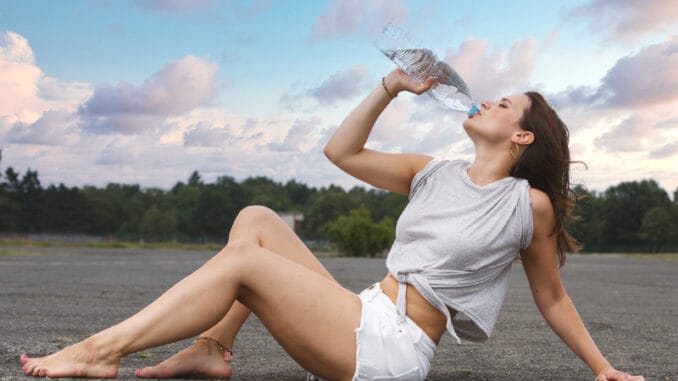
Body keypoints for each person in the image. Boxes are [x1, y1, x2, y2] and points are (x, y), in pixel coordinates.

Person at [20, 68, 644, 381]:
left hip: (393, 350)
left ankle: (99, 353)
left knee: (245, 265)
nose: (486, 101)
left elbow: (551, 295)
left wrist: (602, 368)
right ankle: (213, 349)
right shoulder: (433, 172)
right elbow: (340, 153)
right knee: (258, 218)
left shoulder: (526, 205)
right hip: (367, 311)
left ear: (521, 135)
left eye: (502, 105)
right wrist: (388, 89)